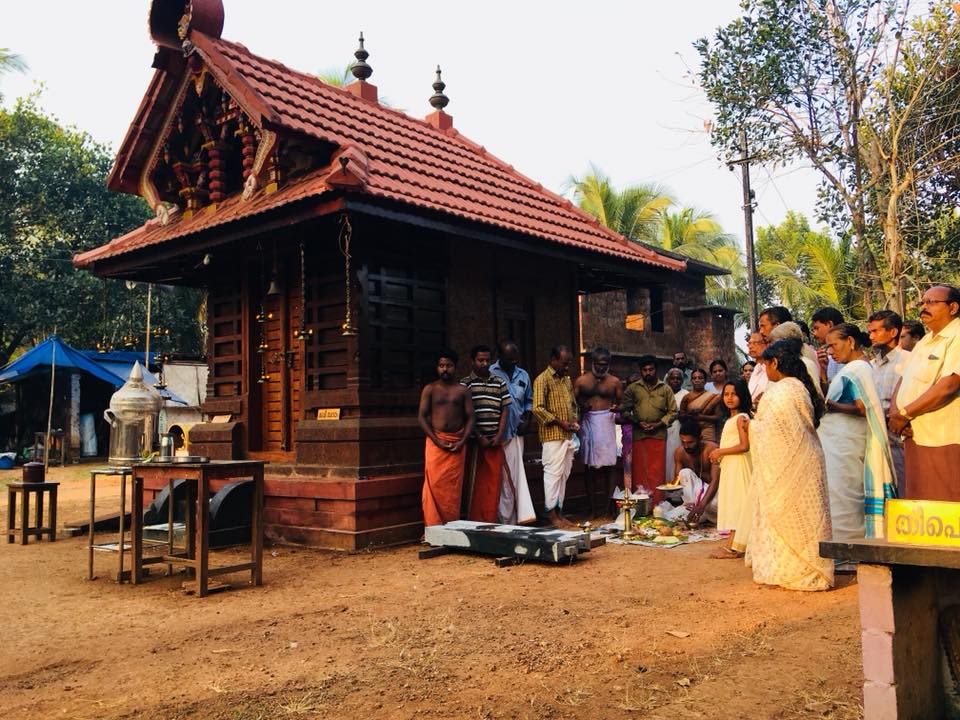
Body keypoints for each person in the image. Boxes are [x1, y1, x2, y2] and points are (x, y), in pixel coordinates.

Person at [748, 339, 833, 591]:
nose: (765, 371)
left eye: (765, 365)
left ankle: (797, 573)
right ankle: (801, 570)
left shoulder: (782, 390)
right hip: (802, 461)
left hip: (787, 465)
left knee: (791, 516)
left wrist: (750, 426)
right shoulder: (797, 387)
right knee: (804, 518)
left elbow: (776, 430)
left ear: (775, 363)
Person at [819, 324, 896, 540]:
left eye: (833, 345)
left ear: (850, 341)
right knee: (836, 493)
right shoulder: (852, 368)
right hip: (838, 440)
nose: (831, 351)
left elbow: (863, 408)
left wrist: (830, 405)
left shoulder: (859, 368)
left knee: (844, 494)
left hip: (846, 442)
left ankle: (848, 546)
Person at [889, 285, 960, 501]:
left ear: (953, 307)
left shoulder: (957, 336)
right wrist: (895, 413)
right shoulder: (925, 341)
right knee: (921, 506)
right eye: (922, 303)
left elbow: (949, 385)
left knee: (947, 507)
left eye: (931, 302)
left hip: (943, 437)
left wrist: (905, 414)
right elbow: (904, 379)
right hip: (914, 435)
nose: (923, 308)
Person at [418, 349, 475, 527]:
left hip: (457, 443)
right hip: (436, 443)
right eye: (441, 365)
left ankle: (451, 527)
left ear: (455, 367)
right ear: (437, 367)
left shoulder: (462, 391)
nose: (445, 369)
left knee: (453, 489)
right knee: (434, 485)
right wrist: (437, 440)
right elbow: (421, 417)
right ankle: (433, 528)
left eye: (449, 365)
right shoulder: (430, 389)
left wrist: (462, 441)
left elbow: (471, 417)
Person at [460, 345, 512, 523]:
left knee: (493, 482)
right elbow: (464, 414)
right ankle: (473, 520)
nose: (484, 364)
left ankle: (490, 519)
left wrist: (499, 434)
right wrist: (478, 435)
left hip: (495, 440)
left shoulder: (499, 382)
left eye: (487, 360)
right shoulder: (465, 384)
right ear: (472, 361)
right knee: (474, 482)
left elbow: (505, 409)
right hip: (475, 442)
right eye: (480, 360)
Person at [490, 340, 537, 525]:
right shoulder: (491, 373)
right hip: (497, 436)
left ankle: (516, 518)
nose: (514, 362)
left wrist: (527, 420)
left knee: (515, 478)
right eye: (510, 359)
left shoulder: (523, 375)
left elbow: (529, 401)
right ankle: (501, 519)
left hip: (517, 434)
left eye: (516, 358)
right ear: (500, 357)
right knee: (501, 480)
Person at [533, 345, 580, 527]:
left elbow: (573, 405)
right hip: (552, 435)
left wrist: (574, 421)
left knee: (564, 475)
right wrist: (560, 422)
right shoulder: (542, 380)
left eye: (569, 363)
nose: (567, 367)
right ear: (553, 360)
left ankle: (559, 514)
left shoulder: (567, 380)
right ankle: (551, 515)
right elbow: (537, 408)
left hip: (568, 435)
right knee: (552, 475)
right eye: (564, 363)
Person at [620, 355, 677, 504]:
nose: (648, 372)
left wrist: (658, 424)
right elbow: (624, 410)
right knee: (640, 472)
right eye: (644, 370)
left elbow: (673, 411)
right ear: (640, 371)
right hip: (639, 435)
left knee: (657, 473)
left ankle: (657, 506)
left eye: (651, 369)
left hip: (659, 435)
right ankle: (641, 507)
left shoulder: (665, 389)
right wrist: (638, 422)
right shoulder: (633, 388)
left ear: (656, 370)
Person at [574, 347, 624, 517]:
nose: (602, 368)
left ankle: (609, 506)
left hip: (607, 422)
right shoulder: (581, 381)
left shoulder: (614, 382)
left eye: (605, 365)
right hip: (588, 422)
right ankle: (592, 508)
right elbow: (572, 404)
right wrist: (581, 408)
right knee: (590, 467)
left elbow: (623, 404)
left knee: (610, 466)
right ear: (591, 362)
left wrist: (618, 408)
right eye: (598, 364)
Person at [708, 379, 753, 558]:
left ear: (742, 396)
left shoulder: (741, 418)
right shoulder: (732, 418)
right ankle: (733, 543)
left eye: (734, 394)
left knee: (738, 505)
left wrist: (719, 451)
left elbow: (744, 445)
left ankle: (735, 548)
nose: (729, 398)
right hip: (731, 465)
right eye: (726, 394)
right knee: (735, 503)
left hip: (739, 464)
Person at [867, 310, 910, 494]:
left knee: (903, 492)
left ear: (893, 332)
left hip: (899, 440)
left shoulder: (909, 360)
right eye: (870, 332)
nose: (871, 336)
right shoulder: (871, 364)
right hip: (875, 441)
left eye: (876, 331)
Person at [672, 420, 720, 526]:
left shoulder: (712, 449)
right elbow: (677, 479)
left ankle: (700, 512)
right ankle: (693, 510)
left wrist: (701, 505)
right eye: (683, 442)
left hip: (714, 495)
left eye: (690, 442)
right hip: (694, 498)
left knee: (715, 505)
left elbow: (715, 481)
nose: (686, 446)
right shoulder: (679, 453)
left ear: (700, 439)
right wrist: (671, 487)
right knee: (684, 472)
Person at [769, 321, 824, 397]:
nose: (772, 348)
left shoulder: (806, 364)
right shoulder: (783, 364)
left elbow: (814, 397)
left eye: (774, 344)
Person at [678, 368, 723, 442]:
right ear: (691, 381)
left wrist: (702, 417)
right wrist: (690, 415)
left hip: (707, 431)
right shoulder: (686, 397)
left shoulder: (713, 397)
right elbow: (680, 417)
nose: (697, 380)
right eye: (694, 378)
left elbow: (717, 417)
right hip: (691, 432)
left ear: (705, 381)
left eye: (700, 378)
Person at [663, 368, 690, 485]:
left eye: (678, 378)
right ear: (668, 380)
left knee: (676, 458)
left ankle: (676, 492)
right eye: (673, 378)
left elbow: (688, 415)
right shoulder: (662, 393)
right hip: (663, 430)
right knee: (664, 459)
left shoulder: (686, 395)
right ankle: (664, 491)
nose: (675, 381)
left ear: (682, 380)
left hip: (678, 430)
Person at [811, 307, 845, 386]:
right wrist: (823, 372)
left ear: (829, 324)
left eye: (817, 328)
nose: (815, 334)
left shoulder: (846, 355)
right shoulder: (828, 357)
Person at [746, 331, 770, 405]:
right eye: (749, 343)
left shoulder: (773, 370)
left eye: (755, 343)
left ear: (767, 345)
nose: (750, 346)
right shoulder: (756, 369)